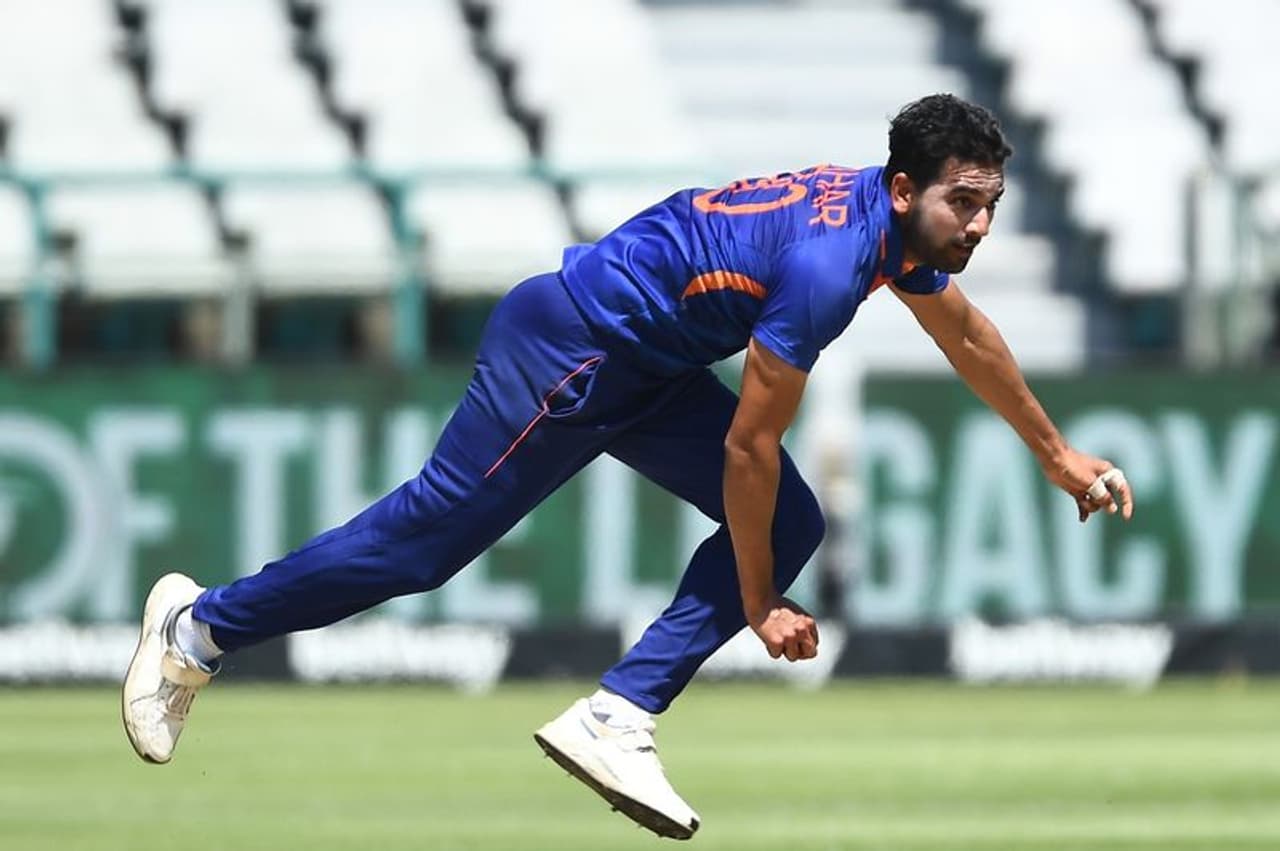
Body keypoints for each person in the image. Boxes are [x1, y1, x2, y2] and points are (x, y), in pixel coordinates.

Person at [122, 94, 1133, 840]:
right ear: (906, 188)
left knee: (793, 522)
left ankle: (616, 711)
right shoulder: (831, 265)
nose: (981, 225)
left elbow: (966, 334)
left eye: (992, 203)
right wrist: (758, 603)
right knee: (421, 547)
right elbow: (747, 445)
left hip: (645, 363)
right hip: (574, 350)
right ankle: (197, 627)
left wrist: (1055, 453)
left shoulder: (885, 224)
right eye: (966, 201)